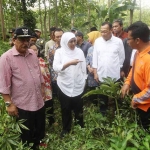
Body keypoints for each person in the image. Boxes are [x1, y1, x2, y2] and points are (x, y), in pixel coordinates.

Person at [0, 27, 45, 150]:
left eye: (27, 40)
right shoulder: (6, 58)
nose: (26, 43)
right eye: (22, 40)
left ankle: (40, 144)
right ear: (14, 40)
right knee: (26, 134)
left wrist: (42, 88)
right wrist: (9, 103)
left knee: (40, 126)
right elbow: (4, 83)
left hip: (38, 100)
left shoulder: (32, 54)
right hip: (22, 104)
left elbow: (38, 74)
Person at [53, 32, 87, 137]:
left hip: (78, 84)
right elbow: (56, 68)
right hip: (64, 85)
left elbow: (83, 68)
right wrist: (68, 63)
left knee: (78, 107)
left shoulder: (79, 51)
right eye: (70, 42)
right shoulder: (59, 52)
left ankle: (80, 125)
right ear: (65, 42)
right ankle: (66, 128)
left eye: (74, 41)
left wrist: (84, 80)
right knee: (65, 107)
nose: (73, 44)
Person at [121, 21, 150, 131]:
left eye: (129, 39)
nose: (127, 41)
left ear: (137, 40)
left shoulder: (148, 59)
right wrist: (127, 83)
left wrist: (136, 99)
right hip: (141, 103)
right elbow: (134, 70)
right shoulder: (138, 52)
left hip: (146, 107)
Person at [93, 22, 125, 115]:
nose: (103, 34)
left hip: (114, 74)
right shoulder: (98, 41)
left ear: (111, 30)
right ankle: (103, 114)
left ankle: (118, 113)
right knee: (102, 96)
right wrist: (95, 72)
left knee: (116, 96)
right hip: (101, 74)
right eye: (101, 31)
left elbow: (121, 57)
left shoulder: (118, 41)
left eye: (105, 31)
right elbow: (95, 58)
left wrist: (119, 69)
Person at [29, 43, 55, 126]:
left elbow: (47, 72)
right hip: (35, 88)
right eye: (32, 50)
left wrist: (48, 84)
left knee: (49, 103)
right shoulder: (26, 61)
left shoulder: (41, 60)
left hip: (46, 86)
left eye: (36, 50)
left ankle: (51, 120)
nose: (35, 51)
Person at [86, 31, 101, 105]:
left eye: (90, 37)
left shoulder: (102, 48)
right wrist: (88, 67)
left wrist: (96, 70)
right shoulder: (90, 48)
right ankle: (94, 106)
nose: (88, 39)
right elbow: (87, 60)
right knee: (92, 92)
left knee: (101, 92)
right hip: (91, 74)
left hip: (99, 73)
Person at [48, 28, 64, 98]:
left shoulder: (69, 47)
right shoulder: (51, 49)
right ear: (54, 38)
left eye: (61, 36)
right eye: (57, 37)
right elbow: (50, 63)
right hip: (56, 76)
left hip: (67, 76)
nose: (60, 38)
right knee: (59, 96)